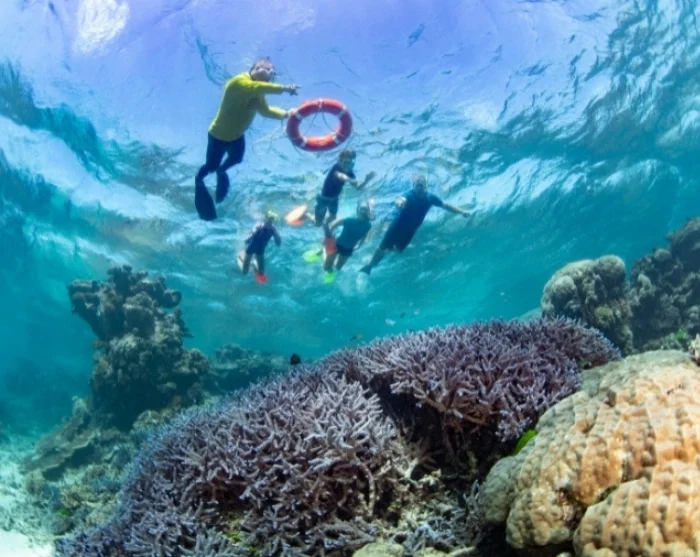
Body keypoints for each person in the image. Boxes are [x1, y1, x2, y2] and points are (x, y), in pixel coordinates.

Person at [195, 57, 300, 221]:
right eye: (267, 69)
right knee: (210, 167)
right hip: (218, 136)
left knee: (236, 159)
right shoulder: (239, 82)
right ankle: (199, 181)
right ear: (255, 68)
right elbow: (255, 87)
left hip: (237, 137)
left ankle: (222, 172)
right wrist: (285, 88)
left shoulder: (259, 92)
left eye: (272, 73)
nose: (271, 73)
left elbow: (265, 111)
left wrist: (286, 114)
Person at [359, 175, 470, 275]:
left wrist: (461, 212)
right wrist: (399, 203)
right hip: (397, 227)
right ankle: (369, 265)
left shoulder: (430, 198)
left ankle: (382, 255)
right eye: (417, 185)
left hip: (410, 232)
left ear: (425, 186)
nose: (419, 188)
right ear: (413, 186)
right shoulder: (409, 194)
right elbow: (400, 199)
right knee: (382, 247)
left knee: (398, 250)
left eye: (421, 185)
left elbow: (445, 205)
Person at [309, 148, 375, 226]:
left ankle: (325, 224)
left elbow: (358, 187)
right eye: (346, 162)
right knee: (317, 224)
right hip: (324, 199)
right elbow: (341, 176)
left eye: (351, 163)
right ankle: (307, 214)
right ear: (339, 161)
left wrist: (366, 180)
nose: (348, 166)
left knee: (333, 217)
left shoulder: (350, 173)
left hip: (334, 200)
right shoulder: (336, 168)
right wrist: (350, 180)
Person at [322, 200, 373, 273]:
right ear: (358, 210)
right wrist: (327, 239)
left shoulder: (368, 225)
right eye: (362, 209)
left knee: (338, 267)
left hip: (348, 249)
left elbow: (364, 235)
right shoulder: (349, 220)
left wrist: (359, 245)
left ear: (368, 212)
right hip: (337, 244)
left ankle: (330, 259)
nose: (363, 211)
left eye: (366, 209)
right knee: (326, 268)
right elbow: (334, 225)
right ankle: (324, 251)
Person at [238, 211, 282, 280]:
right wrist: (254, 233)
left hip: (260, 251)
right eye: (269, 220)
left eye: (272, 220)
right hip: (250, 249)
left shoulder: (273, 229)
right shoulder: (258, 226)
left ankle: (254, 262)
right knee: (245, 272)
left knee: (261, 272)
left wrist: (276, 235)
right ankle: (247, 262)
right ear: (265, 219)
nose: (270, 222)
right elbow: (246, 241)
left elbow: (278, 244)